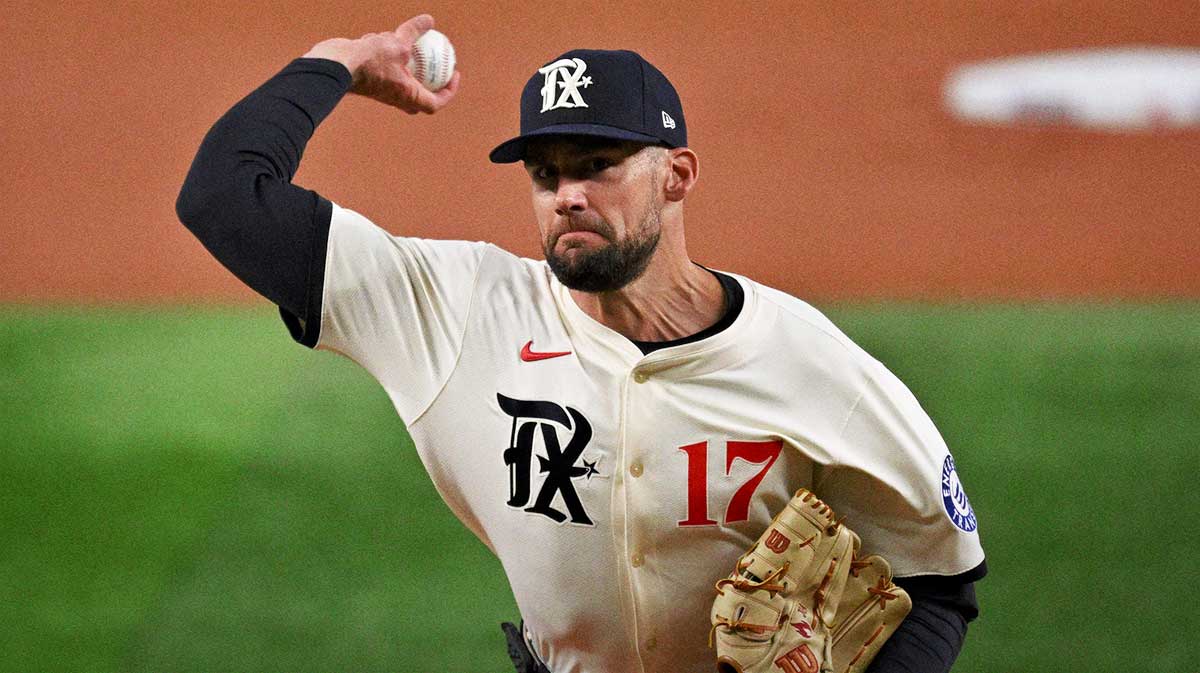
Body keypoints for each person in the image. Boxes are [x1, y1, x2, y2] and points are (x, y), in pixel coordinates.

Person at [176, 14, 986, 673]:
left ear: (677, 175)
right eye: (545, 172)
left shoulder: (810, 363)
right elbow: (223, 196)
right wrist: (338, 61)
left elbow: (940, 576)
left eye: (598, 164)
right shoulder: (455, 310)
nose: (567, 195)